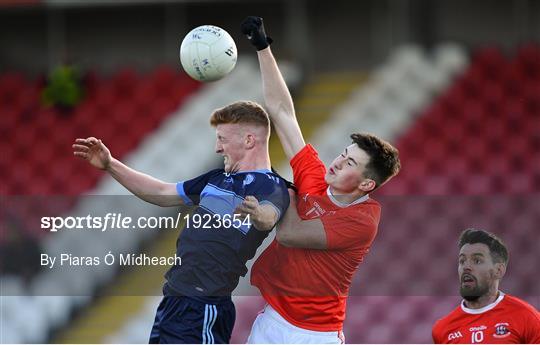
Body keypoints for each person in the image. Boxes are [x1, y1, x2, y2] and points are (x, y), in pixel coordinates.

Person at [72, 100, 290, 344]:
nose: (218, 148)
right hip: (174, 300)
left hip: (203, 307)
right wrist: (111, 165)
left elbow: (268, 217)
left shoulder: (272, 185)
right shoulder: (217, 178)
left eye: (223, 139)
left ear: (249, 140)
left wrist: (257, 213)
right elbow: (164, 193)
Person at [240, 17, 401, 343]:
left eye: (351, 162)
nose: (339, 160)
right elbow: (283, 111)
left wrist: (282, 189)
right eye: (344, 152)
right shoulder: (314, 175)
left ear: (366, 184)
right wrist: (262, 48)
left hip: (315, 336)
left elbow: (290, 233)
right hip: (271, 321)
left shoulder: (364, 220)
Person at [432, 229, 540, 344]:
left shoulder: (527, 317)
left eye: (477, 261)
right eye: (462, 261)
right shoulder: (442, 329)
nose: (466, 267)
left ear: (499, 270)